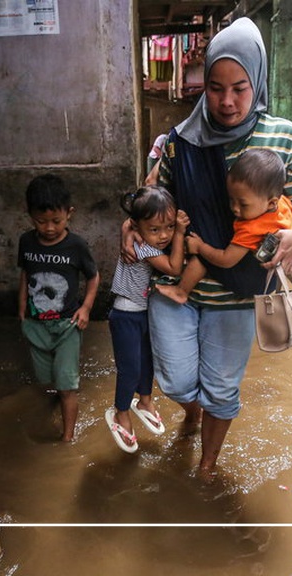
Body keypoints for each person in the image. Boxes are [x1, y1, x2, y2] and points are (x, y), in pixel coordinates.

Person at [124, 17, 292, 474]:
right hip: (178, 279)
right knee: (174, 380)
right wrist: (129, 224)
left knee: (222, 389)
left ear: (258, 81)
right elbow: (157, 203)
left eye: (240, 87)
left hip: (238, 293)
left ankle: (207, 465)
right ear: (203, 84)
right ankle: (192, 411)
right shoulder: (180, 143)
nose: (227, 101)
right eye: (215, 87)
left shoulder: (286, 138)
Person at [105, 186, 190, 453]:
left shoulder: (142, 237)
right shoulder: (142, 246)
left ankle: (144, 401)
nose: (163, 235)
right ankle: (120, 412)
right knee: (129, 368)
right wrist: (179, 232)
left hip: (143, 313)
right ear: (137, 228)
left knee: (147, 362)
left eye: (167, 227)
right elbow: (175, 268)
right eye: (155, 229)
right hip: (126, 315)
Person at [18, 174, 100, 443]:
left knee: (66, 387)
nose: (49, 228)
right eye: (41, 221)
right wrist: (21, 310)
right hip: (36, 323)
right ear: (30, 215)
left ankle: (67, 440)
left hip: (67, 326)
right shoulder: (26, 242)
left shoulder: (76, 246)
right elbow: (25, 275)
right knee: (46, 381)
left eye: (56, 221)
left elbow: (93, 276)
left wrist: (86, 308)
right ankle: (61, 397)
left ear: (69, 214)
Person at [156, 148, 292, 304]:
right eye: (231, 200)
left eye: (243, 204)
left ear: (271, 202)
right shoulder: (283, 205)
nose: (235, 208)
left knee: (202, 260)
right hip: (269, 275)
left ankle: (181, 291)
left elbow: (226, 259)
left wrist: (200, 247)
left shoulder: (251, 229)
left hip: (247, 277)